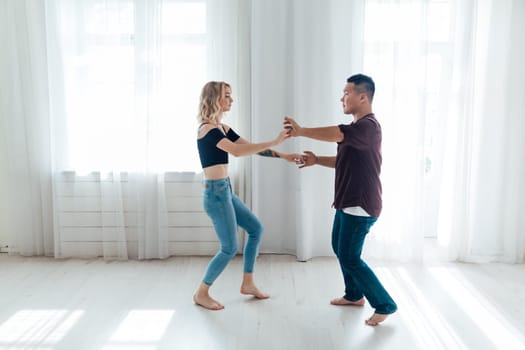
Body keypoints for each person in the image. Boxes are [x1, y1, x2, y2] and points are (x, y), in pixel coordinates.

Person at [283, 74, 397, 326]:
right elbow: (343, 161)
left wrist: (301, 131)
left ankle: (385, 304)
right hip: (348, 201)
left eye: (347, 92)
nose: (341, 98)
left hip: (361, 203)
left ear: (363, 97)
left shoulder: (368, 126)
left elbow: (337, 132)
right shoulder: (358, 131)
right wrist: (316, 161)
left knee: (350, 256)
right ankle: (354, 295)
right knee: (340, 248)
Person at [194, 81, 297, 310]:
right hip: (215, 195)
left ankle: (248, 283)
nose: (232, 100)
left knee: (255, 229)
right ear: (214, 99)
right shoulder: (206, 129)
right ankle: (201, 293)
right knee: (229, 248)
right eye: (227, 96)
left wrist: (284, 156)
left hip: (225, 190)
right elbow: (238, 151)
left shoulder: (222, 128)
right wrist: (275, 140)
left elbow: (251, 147)